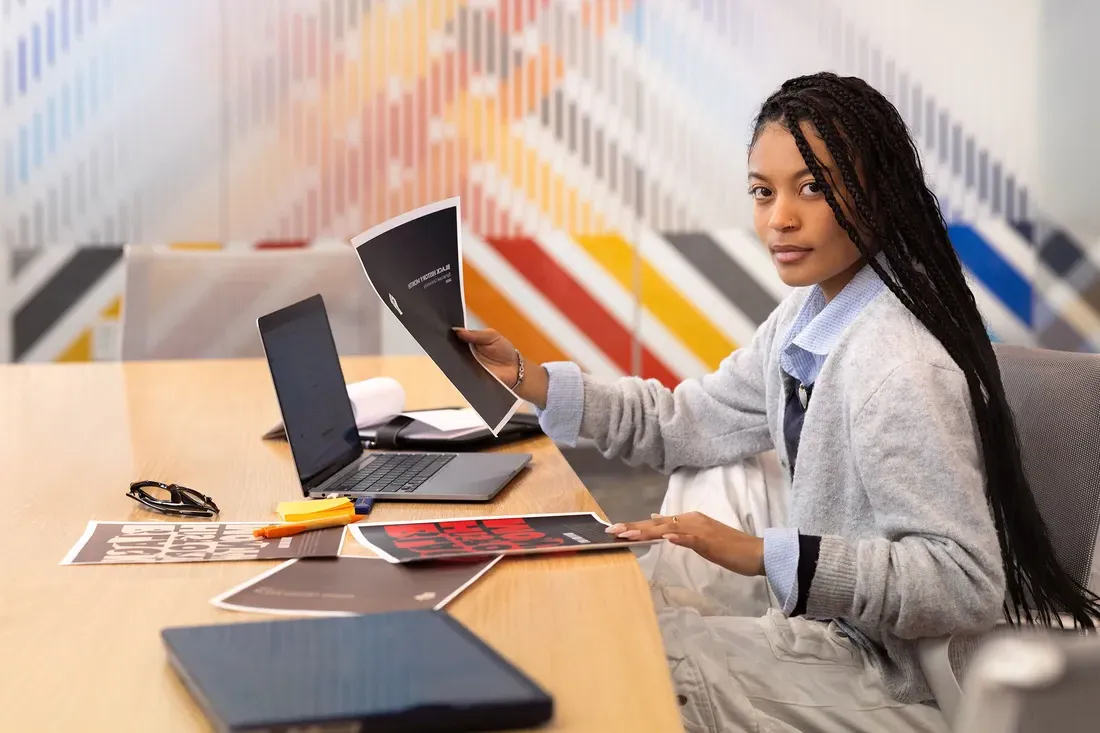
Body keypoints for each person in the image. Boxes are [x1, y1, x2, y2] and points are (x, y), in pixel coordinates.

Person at [456, 71, 1100, 732]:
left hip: (888, 680)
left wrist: (764, 552)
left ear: (878, 196)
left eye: (813, 188)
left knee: (628, 663)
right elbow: (688, 421)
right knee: (705, 478)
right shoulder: (808, 316)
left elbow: (962, 583)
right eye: (763, 192)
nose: (778, 218)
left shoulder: (896, 367)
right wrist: (530, 378)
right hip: (833, 631)